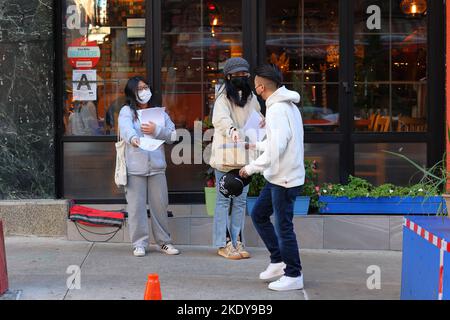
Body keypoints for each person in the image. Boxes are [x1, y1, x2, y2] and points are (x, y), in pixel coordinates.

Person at [240, 64, 305, 291]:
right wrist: (256, 145)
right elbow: (279, 140)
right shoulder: (284, 105)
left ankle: (294, 274)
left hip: (284, 178)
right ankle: (278, 262)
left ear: (260, 88)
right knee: (259, 214)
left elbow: (278, 146)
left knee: (283, 227)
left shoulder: (278, 109)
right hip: (279, 176)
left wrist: (251, 168)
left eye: (254, 83)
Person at [118, 76, 180, 257]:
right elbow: (125, 128)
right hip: (135, 168)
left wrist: (157, 130)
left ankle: (164, 242)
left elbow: (173, 135)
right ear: (132, 92)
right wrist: (133, 138)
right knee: (136, 208)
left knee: (160, 206)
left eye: (146, 87)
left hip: (157, 168)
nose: (144, 91)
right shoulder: (127, 111)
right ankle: (139, 243)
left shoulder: (158, 113)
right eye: (140, 88)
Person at [209, 57, 264, 260]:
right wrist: (231, 129)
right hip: (225, 158)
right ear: (229, 77)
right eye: (237, 74)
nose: (241, 77)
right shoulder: (222, 98)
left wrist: (263, 123)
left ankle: (237, 241)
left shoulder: (251, 99)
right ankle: (223, 244)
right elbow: (220, 120)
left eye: (244, 74)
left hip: (245, 159)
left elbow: (257, 117)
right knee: (223, 202)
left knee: (240, 202)